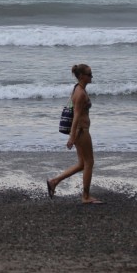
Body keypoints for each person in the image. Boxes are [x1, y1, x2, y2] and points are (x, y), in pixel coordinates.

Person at [46, 64, 102, 204]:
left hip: (80, 131)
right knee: (89, 162)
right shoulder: (80, 93)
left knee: (82, 164)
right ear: (82, 76)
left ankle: (54, 181)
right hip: (81, 131)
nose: (91, 76)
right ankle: (86, 196)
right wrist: (72, 137)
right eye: (89, 74)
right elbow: (76, 116)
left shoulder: (78, 88)